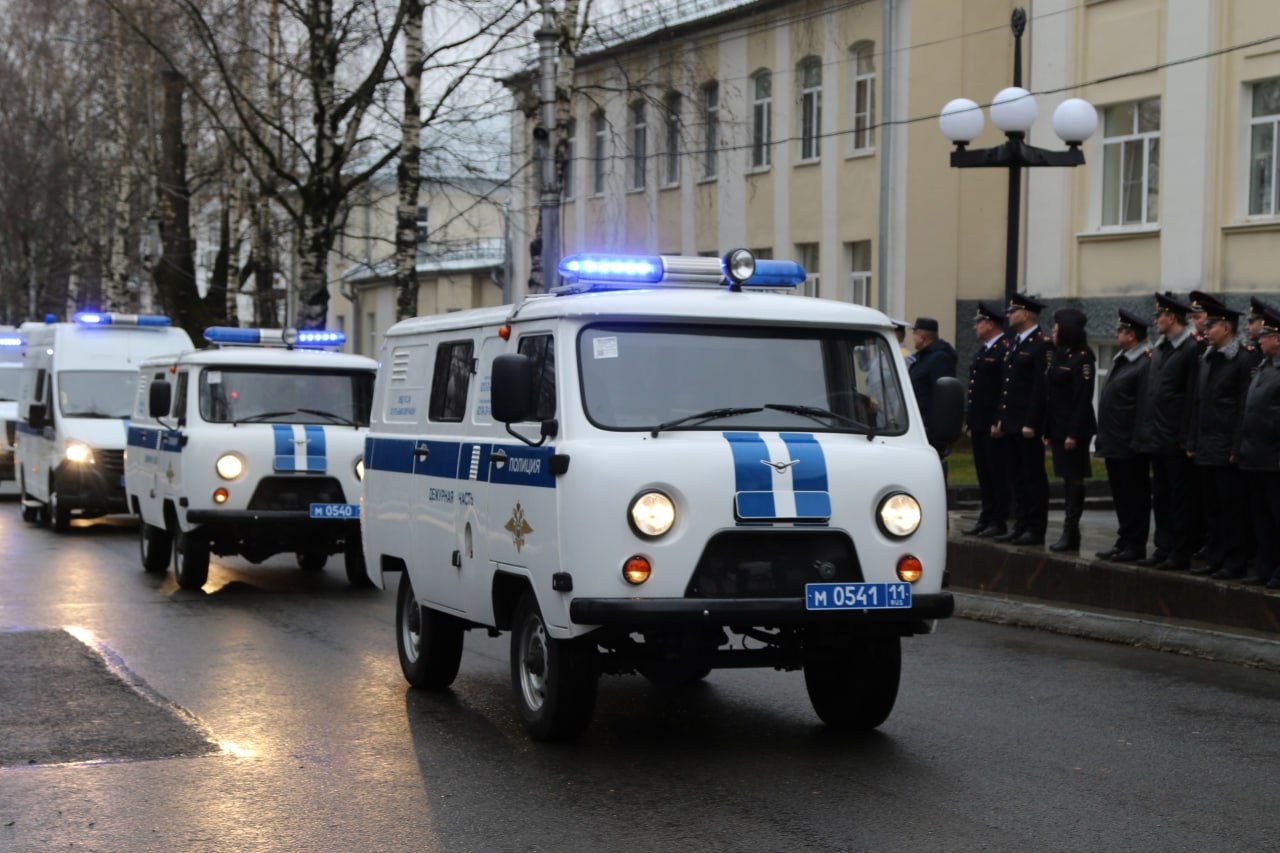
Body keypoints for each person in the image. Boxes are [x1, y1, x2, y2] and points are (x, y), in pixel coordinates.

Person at [1185, 303, 1255, 580]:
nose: (1205, 329)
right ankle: (1215, 558)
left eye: (1211, 325)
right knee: (1211, 509)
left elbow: (1242, 408)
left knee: (1231, 509)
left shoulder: (1241, 359)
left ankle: (1234, 560)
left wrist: (1236, 447)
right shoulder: (1208, 357)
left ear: (1226, 327)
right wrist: (1192, 439)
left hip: (1226, 447)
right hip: (1206, 445)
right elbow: (1197, 402)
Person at [1132, 292, 1200, 571]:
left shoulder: (1189, 350)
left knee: (1179, 498)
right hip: (1156, 437)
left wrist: (1185, 437)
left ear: (1171, 318)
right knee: (1160, 496)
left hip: (1175, 438)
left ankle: (1179, 551)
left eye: (1158, 316)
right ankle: (1163, 546)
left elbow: (1191, 397)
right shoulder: (1161, 348)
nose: (1155, 321)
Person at [1094, 309, 1152, 562]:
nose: (1116, 334)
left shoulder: (1144, 363)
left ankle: (1135, 544)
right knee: (1121, 495)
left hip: (1130, 442)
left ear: (1132, 335)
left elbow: (1143, 405)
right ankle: (1124, 539)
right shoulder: (1123, 359)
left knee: (1134, 495)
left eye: (1120, 331)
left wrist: (1137, 439)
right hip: (1114, 440)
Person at [992, 293, 1051, 546]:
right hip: (1011, 421)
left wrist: (1032, 422)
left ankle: (1035, 528)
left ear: (1026, 314)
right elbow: (1006, 386)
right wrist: (1000, 418)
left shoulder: (1041, 344)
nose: (1008, 315)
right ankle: (1021, 524)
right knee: (1016, 476)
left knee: (1032, 477)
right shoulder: (1015, 343)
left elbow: (1040, 388)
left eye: (1013, 311)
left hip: (1027, 424)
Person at [1041, 308, 1096, 552]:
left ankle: (1071, 530)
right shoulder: (1061, 356)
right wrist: (1048, 428)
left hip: (1074, 430)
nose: (1053, 333)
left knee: (1074, 478)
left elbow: (1081, 399)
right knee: (1065, 477)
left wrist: (1073, 433)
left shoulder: (1083, 359)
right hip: (1058, 427)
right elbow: (1052, 396)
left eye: (1056, 329)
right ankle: (1069, 531)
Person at [1238, 305, 1280, 589]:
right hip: (1254, 455)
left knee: (1278, 517)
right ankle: (1265, 567)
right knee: (1261, 518)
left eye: (1265, 335)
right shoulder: (1264, 366)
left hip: (1274, 457)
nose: (1260, 340)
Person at [962, 302, 1011, 537]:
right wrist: (971, 423)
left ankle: (998, 519)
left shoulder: (1004, 349)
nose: (975, 327)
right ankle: (986, 516)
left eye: (978, 323)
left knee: (997, 473)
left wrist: (998, 420)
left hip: (993, 424)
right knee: (984, 473)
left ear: (990, 324)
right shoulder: (984, 350)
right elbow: (976, 391)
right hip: (980, 423)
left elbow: (1003, 389)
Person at [907, 316, 957, 449]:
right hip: (919, 423)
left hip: (929, 427)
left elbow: (943, 396)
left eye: (914, 334)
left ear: (922, 336)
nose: (913, 338)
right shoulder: (925, 357)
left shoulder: (939, 359)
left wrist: (935, 427)